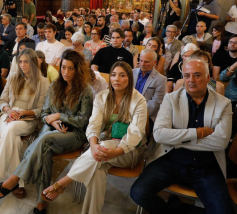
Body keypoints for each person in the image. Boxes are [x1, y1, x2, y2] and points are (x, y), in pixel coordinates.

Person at [0, 50, 93, 214]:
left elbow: (83, 120)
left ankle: (15, 178)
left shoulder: (85, 91)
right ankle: (41, 203)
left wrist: (59, 116)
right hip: (50, 130)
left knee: (44, 140)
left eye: (70, 69)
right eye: (63, 67)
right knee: (45, 151)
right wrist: (51, 120)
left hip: (73, 134)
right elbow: (44, 113)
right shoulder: (55, 85)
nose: (65, 72)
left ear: (78, 70)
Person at [41, 61, 147, 214]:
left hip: (129, 152)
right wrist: (93, 145)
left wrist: (116, 151)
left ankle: (63, 182)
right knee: (97, 171)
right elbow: (94, 124)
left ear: (129, 79)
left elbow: (135, 134)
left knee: (105, 147)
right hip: (102, 152)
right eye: (113, 75)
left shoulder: (139, 100)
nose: (117, 79)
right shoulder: (102, 97)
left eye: (122, 75)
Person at [131, 59, 234, 214]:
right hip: (171, 159)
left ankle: (177, 206)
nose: (191, 80)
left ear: (208, 78)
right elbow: (159, 134)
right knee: (138, 192)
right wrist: (197, 133)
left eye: (197, 75)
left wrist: (176, 140)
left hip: (206, 166)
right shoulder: (171, 99)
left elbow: (220, 142)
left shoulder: (223, 104)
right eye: (186, 76)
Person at [0, 49, 49, 198]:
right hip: (8, 115)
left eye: (26, 62)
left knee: (11, 131)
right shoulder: (13, 77)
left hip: (28, 118)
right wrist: (10, 111)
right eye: (20, 62)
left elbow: (41, 109)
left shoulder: (43, 81)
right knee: (14, 140)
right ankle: (16, 182)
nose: (23, 65)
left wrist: (22, 113)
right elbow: (2, 101)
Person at [133, 49, 166, 131]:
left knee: (135, 129)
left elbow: (155, 103)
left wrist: (137, 114)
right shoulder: (131, 73)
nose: (142, 64)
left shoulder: (161, 79)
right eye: (141, 61)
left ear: (154, 63)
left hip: (147, 115)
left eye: (146, 62)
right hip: (127, 110)